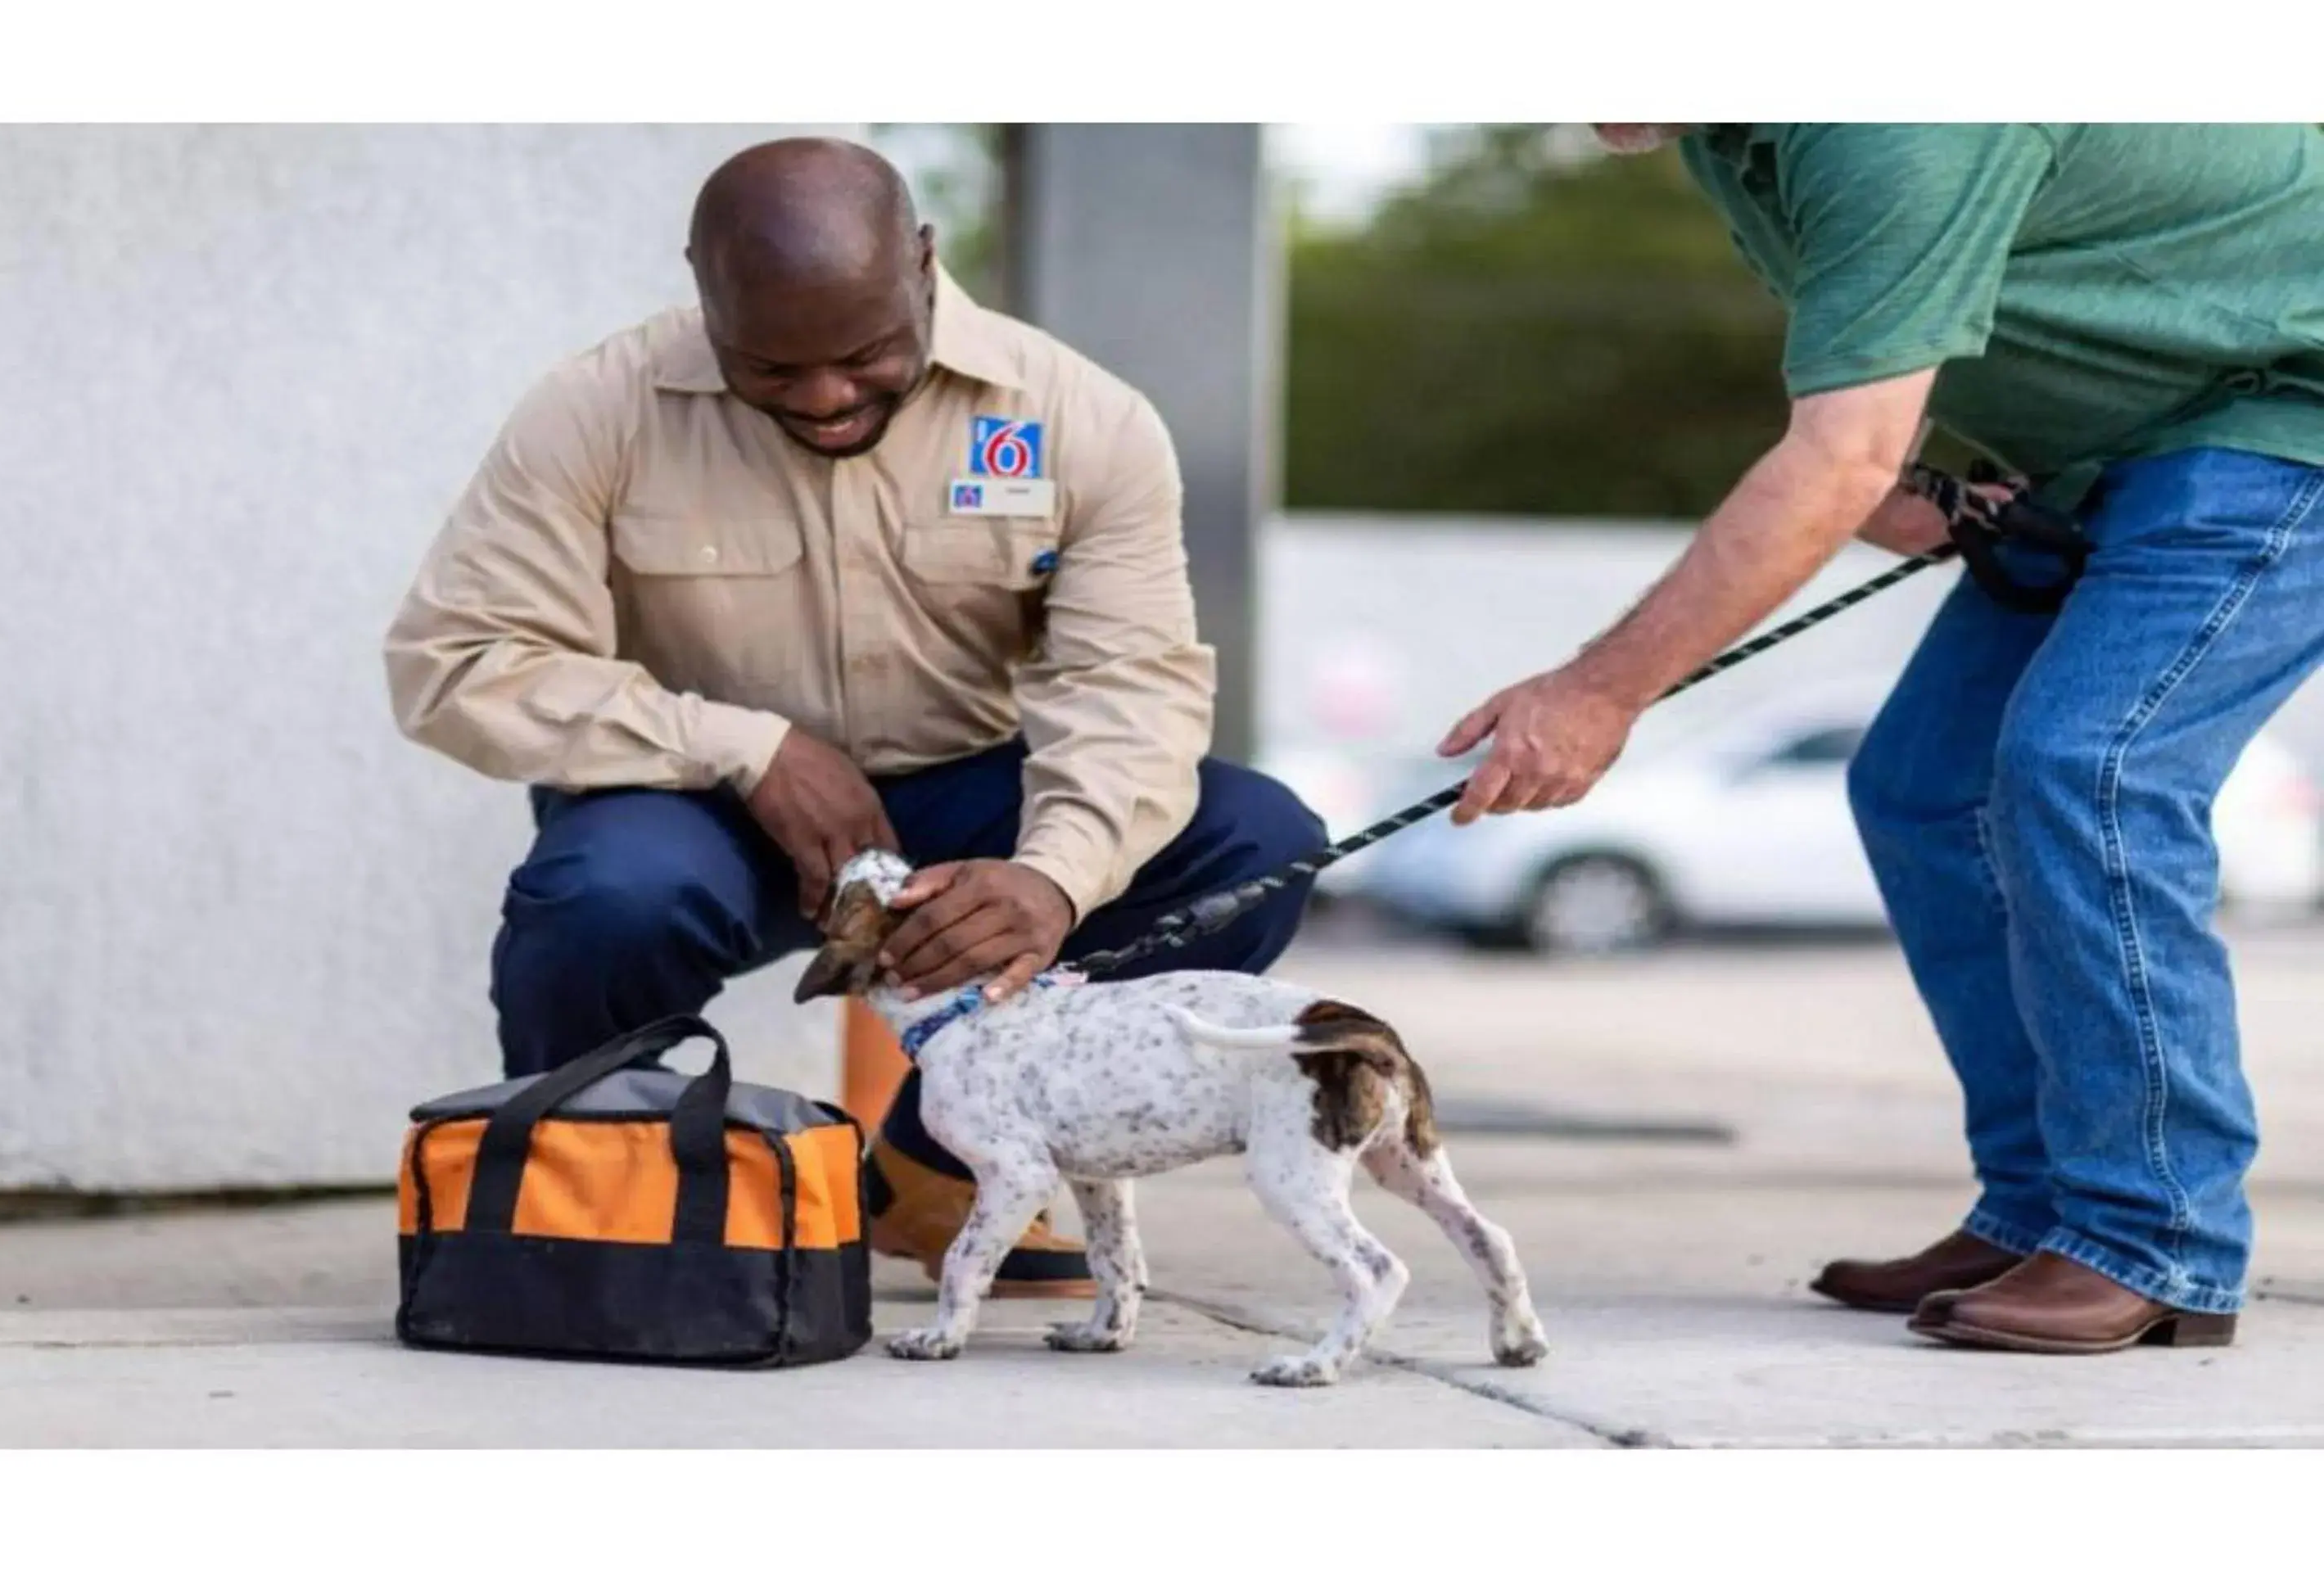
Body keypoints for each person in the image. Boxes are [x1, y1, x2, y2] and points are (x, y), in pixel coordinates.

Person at [384, 137, 1325, 1298]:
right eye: (770, 369)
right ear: (702, 289)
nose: (826, 397)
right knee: (602, 899)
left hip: (963, 807)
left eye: (869, 352)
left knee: (1259, 844)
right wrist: (746, 748)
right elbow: (456, 663)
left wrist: (1053, 878)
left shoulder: (1082, 418)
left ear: (925, 264)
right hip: (700, 811)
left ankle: (937, 1178)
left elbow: (1131, 692)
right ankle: (594, 1205)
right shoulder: (595, 411)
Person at [1442, 124, 2324, 1353]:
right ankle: (2042, 1211)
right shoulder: (1724, 130)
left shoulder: (1896, 106)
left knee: (2091, 767)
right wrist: (1913, 482)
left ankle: (2156, 1239)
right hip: (2109, 452)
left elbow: (1838, 455)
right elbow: (1877, 381)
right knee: (1924, 787)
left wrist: (1600, 691)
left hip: (2282, 417)